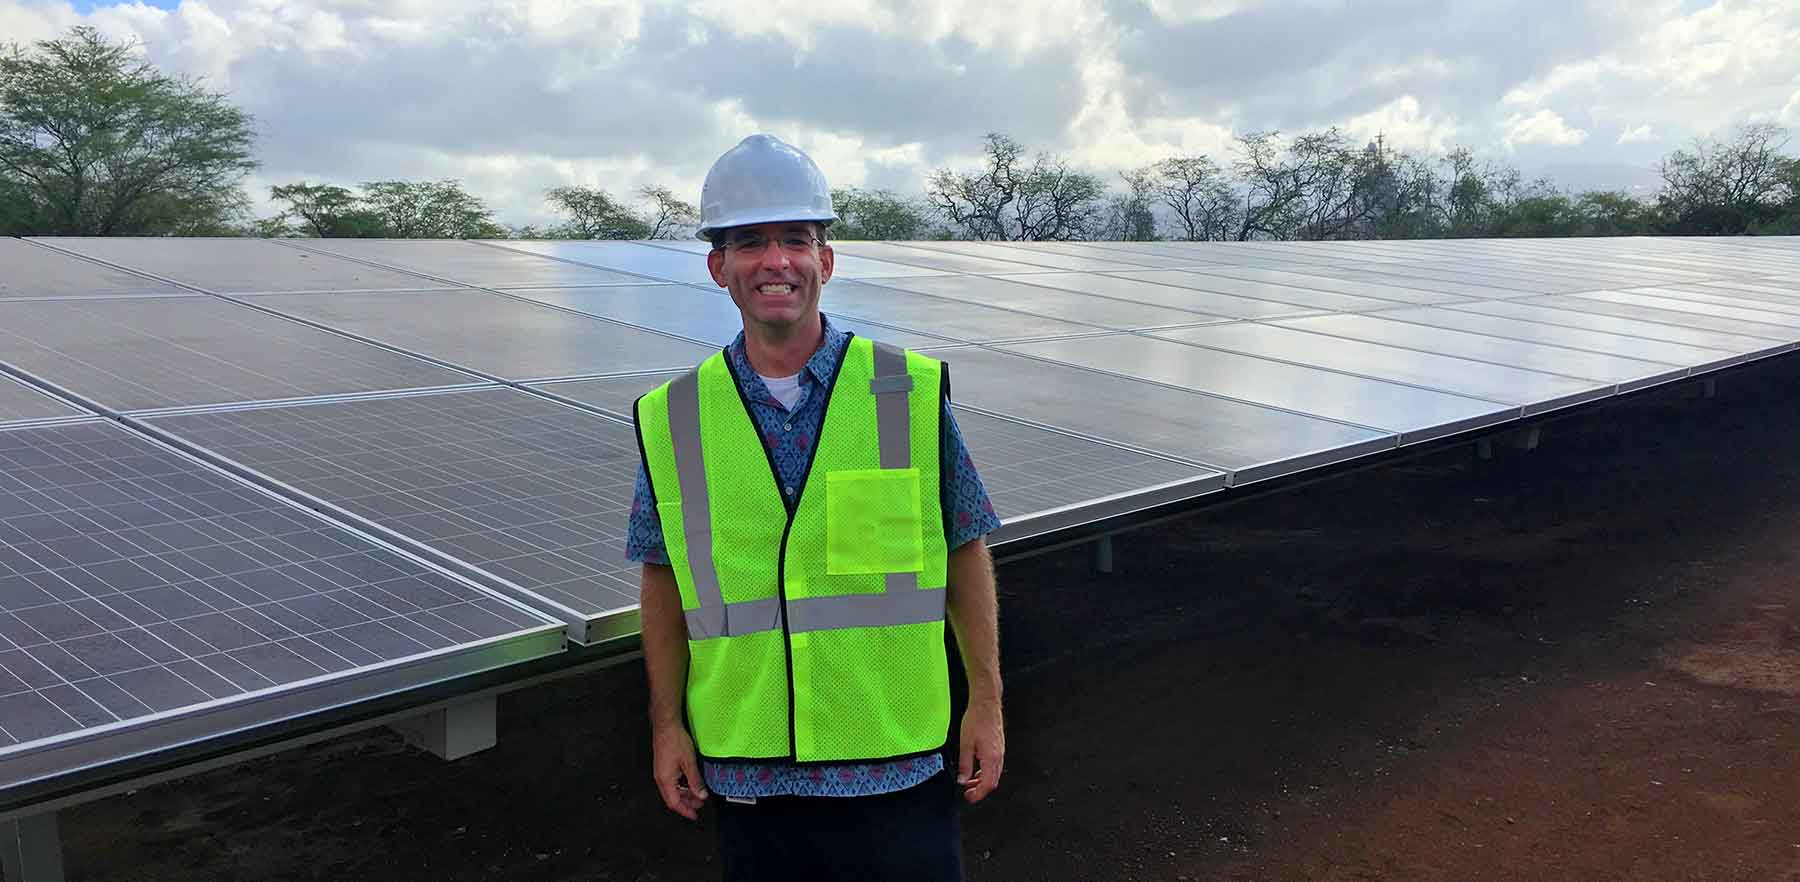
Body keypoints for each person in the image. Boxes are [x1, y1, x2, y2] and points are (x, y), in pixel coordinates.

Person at [626, 133, 1005, 882]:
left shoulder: (908, 390)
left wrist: (987, 702)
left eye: (797, 240)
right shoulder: (673, 417)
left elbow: (965, 547)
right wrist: (666, 725)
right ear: (718, 267)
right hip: (750, 773)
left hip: (897, 765)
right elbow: (663, 580)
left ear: (825, 262)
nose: (776, 261)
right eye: (750, 243)